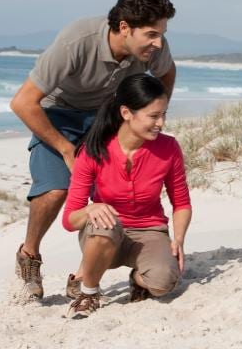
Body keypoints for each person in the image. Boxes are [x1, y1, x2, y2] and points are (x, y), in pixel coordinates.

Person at [10, 0, 177, 300]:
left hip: (107, 115)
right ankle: (29, 255)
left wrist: (152, 113)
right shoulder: (77, 41)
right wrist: (66, 149)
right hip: (58, 115)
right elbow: (23, 103)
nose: (159, 43)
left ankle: (83, 274)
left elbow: (167, 73)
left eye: (161, 35)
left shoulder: (155, 46)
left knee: (110, 191)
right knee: (56, 190)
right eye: (152, 35)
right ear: (124, 28)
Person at [63, 73, 192, 318]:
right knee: (104, 224)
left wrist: (178, 239)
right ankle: (88, 293)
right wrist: (90, 209)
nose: (161, 123)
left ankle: (137, 277)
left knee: (164, 282)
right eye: (153, 116)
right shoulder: (93, 151)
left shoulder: (169, 148)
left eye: (164, 114)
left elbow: (182, 203)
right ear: (126, 113)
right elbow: (69, 220)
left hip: (150, 231)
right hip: (106, 234)